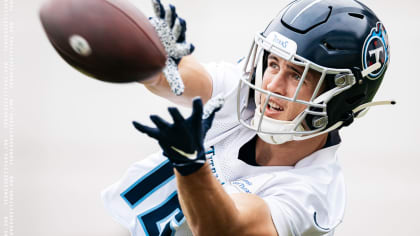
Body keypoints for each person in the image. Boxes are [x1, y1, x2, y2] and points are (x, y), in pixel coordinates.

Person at [102, 0, 393, 235]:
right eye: (273, 63)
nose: (272, 85)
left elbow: (222, 229)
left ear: (341, 98)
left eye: (297, 75)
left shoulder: (313, 194)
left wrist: (192, 167)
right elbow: (182, 80)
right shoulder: (247, 92)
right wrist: (152, 58)